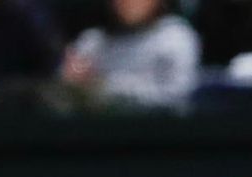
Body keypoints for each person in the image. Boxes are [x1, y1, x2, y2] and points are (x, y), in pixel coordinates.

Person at [61, 0, 200, 108]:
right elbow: (62, 90)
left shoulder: (176, 37)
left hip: (161, 135)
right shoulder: (92, 42)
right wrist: (71, 80)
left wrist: (103, 85)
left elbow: (175, 96)